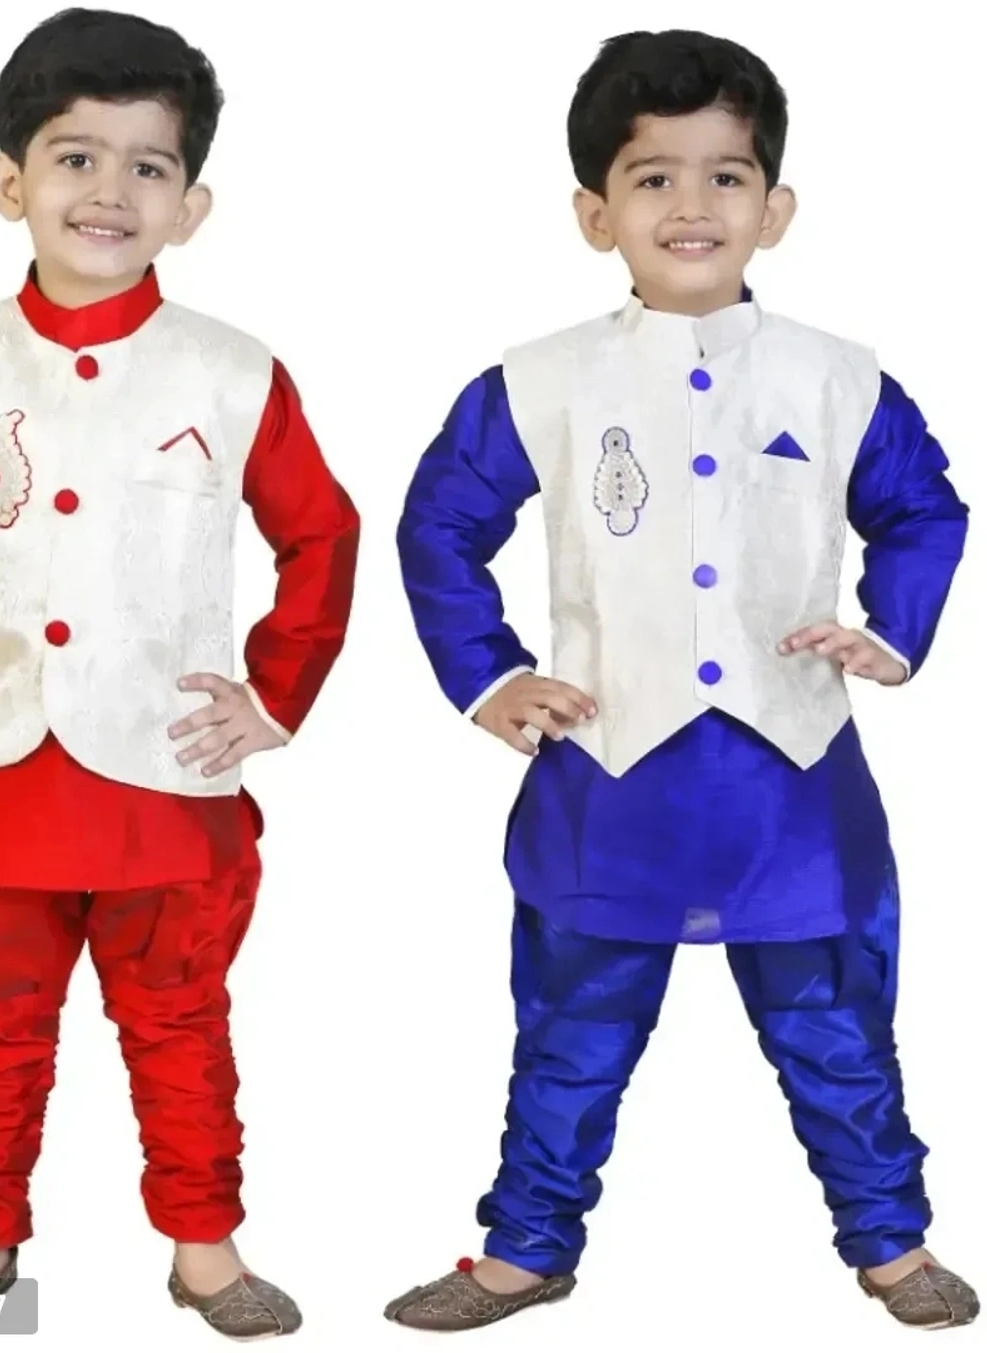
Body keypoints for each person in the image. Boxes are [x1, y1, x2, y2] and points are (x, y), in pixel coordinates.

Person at [384, 28, 976, 1334]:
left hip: (792, 781)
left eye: (726, 175)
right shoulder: (539, 381)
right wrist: (490, 677)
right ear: (596, 213)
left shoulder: (838, 377)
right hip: (608, 774)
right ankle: (523, 1249)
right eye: (653, 177)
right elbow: (441, 524)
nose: (691, 204)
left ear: (777, 208)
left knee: (836, 1026)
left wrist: (893, 630)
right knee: (571, 1032)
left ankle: (892, 1242)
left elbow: (923, 510)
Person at [0, 8, 358, 1339]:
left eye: (147, 166)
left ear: (191, 205)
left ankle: (206, 1251)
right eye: (74, 157)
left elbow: (323, 535)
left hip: (165, 771)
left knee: (180, 1019)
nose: (110, 191)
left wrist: (273, 696)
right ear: (11, 183)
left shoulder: (231, 372)